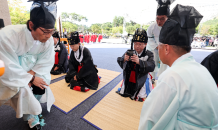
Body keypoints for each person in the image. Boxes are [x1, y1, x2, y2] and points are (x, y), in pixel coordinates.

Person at [138, 4, 218, 129]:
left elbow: (150, 119)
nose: (157, 48)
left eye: (160, 45)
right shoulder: (202, 70)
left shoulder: (172, 77)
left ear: (166, 48)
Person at [0, 0, 58, 129]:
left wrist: (33, 74)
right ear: (31, 25)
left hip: (34, 67)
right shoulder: (7, 35)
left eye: (51, 32)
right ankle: (31, 115)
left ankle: (32, 113)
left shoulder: (48, 39)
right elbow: (7, 63)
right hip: (15, 68)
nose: (49, 36)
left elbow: (46, 60)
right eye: (44, 31)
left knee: (42, 84)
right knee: (21, 89)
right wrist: (29, 78)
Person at [117, 28, 155, 101]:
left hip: (142, 78)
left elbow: (152, 66)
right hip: (129, 77)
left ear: (145, 44)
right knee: (126, 91)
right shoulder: (130, 52)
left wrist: (139, 62)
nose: (137, 46)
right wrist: (124, 59)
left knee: (140, 95)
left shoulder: (149, 54)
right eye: (135, 44)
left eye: (140, 44)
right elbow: (120, 60)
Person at [146, 0, 174, 84]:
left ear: (167, 18)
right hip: (154, 48)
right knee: (152, 62)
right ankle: (152, 78)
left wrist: (165, 47)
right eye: (157, 19)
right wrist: (156, 46)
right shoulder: (152, 26)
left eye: (162, 19)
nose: (159, 22)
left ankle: (162, 79)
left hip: (166, 48)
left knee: (164, 64)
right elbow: (149, 37)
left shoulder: (172, 26)